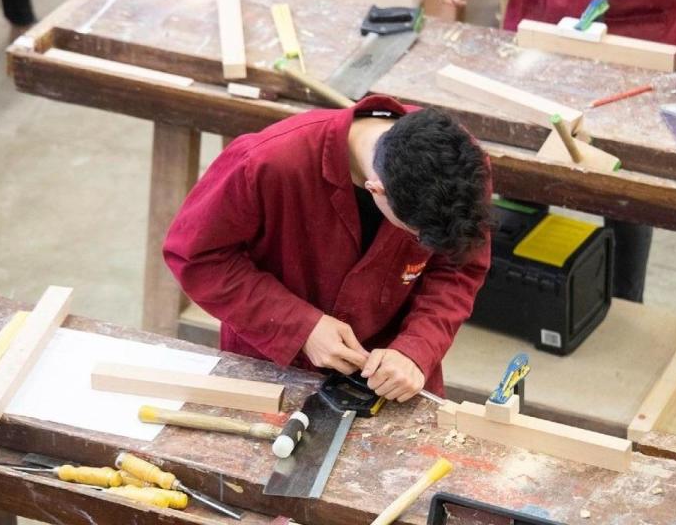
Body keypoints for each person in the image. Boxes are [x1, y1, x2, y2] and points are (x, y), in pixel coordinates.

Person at [434, 0, 676, 302]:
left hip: (633, 48)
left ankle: (621, 310)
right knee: (523, 176)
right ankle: (522, 298)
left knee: (626, 191)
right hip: (535, 36)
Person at [163, 96, 492, 401]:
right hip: (275, 369)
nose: (422, 245)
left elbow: (459, 266)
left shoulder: (460, 166)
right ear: (376, 190)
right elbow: (198, 258)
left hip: (393, 377)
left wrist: (416, 348)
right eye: (415, 234)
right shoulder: (267, 162)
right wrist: (299, 326)